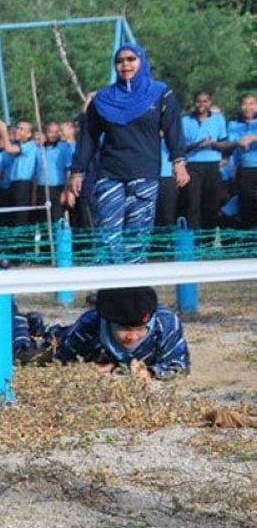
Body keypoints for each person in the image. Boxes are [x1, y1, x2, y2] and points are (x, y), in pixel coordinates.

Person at [67, 44, 189, 264]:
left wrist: (178, 161)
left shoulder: (160, 93)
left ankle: (134, 293)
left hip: (144, 172)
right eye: (120, 61)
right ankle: (109, 293)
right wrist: (77, 171)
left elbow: (173, 129)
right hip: (109, 174)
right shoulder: (103, 98)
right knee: (107, 234)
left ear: (141, 61)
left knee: (137, 236)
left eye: (131, 59)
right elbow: (89, 137)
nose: (125, 65)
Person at [38, 286, 189, 380]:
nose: (133, 337)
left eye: (141, 329)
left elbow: (180, 366)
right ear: (108, 323)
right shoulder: (88, 326)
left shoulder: (167, 324)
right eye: (125, 330)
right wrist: (84, 370)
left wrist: (150, 373)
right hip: (62, 336)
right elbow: (61, 360)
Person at [180, 91, 232, 230]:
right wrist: (197, 145)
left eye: (205, 101)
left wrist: (213, 144)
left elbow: (225, 143)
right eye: (199, 101)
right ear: (194, 102)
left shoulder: (218, 119)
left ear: (210, 102)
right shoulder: (185, 121)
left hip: (212, 165)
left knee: (211, 203)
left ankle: (208, 240)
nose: (202, 104)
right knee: (193, 202)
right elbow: (180, 147)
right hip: (193, 164)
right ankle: (194, 239)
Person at [34, 121, 74, 223]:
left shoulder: (63, 148)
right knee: (43, 219)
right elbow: (35, 173)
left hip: (57, 188)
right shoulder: (39, 149)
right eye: (51, 132)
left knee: (57, 219)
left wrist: (65, 191)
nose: (54, 135)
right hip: (41, 188)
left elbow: (69, 170)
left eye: (56, 132)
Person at [228, 93, 257, 229]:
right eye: (245, 104)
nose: (248, 107)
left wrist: (253, 137)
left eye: (252, 104)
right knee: (246, 206)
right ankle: (248, 244)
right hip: (244, 170)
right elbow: (230, 146)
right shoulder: (233, 124)